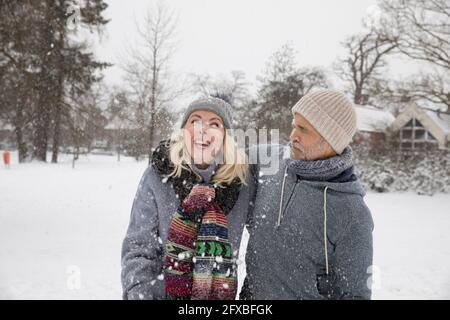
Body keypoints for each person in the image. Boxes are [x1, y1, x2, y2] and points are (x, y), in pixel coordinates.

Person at [241, 90, 374, 300]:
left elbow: (355, 294)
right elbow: (222, 157)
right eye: (294, 125)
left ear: (331, 139)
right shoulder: (270, 161)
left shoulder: (352, 213)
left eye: (303, 129)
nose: (293, 135)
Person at [121, 97, 255, 300]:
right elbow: (139, 247)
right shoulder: (158, 175)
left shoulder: (241, 183)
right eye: (195, 121)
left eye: (214, 124)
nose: (203, 130)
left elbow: (265, 244)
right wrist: (140, 294)